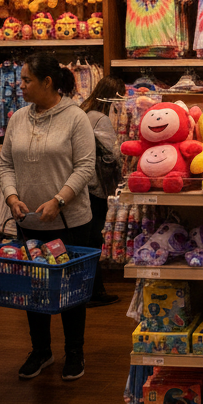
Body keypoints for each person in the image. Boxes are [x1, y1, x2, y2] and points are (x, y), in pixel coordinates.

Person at [0, 53, 95, 382]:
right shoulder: (16, 119)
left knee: (70, 291)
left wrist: (59, 199)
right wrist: (11, 196)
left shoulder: (75, 118)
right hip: (29, 224)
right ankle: (41, 350)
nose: (20, 85)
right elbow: (6, 164)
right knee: (33, 291)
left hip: (71, 223)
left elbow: (85, 166)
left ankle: (74, 351)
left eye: (26, 80)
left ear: (47, 82)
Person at [79, 76, 125, 308]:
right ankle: (95, 291)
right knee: (94, 239)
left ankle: (88, 290)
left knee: (86, 239)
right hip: (96, 186)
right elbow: (111, 154)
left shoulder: (84, 112)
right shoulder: (101, 118)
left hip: (81, 184)